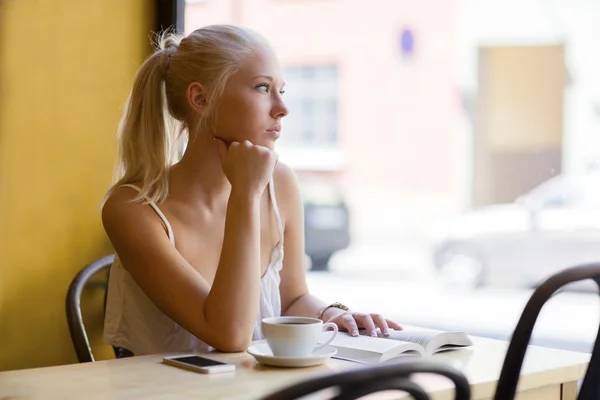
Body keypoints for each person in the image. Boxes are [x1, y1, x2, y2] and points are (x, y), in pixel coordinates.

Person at [101, 24, 402, 356]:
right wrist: (245, 194)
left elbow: (292, 299)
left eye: (281, 91)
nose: (282, 108)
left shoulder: (281, 184)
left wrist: (332, 314)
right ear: (200, 98)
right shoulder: (131, 208)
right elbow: (229, 335)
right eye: (262, 87)